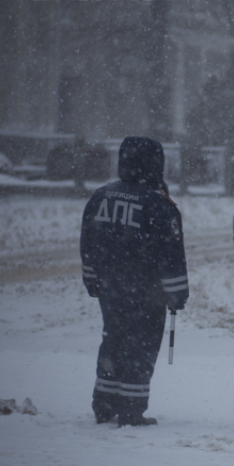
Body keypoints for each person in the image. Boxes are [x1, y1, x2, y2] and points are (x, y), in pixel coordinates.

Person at [80, 136, 189, 427]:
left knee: (112, 340)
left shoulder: (101, 196)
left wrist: (91, 278)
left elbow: (87, 243)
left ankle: (103, 404)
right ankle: (131, 409)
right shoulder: (159, 204)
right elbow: (171, 256)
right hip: (146, 291)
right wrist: (177, 294)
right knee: (140, 347)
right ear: (157, 164)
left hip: (110, 288)